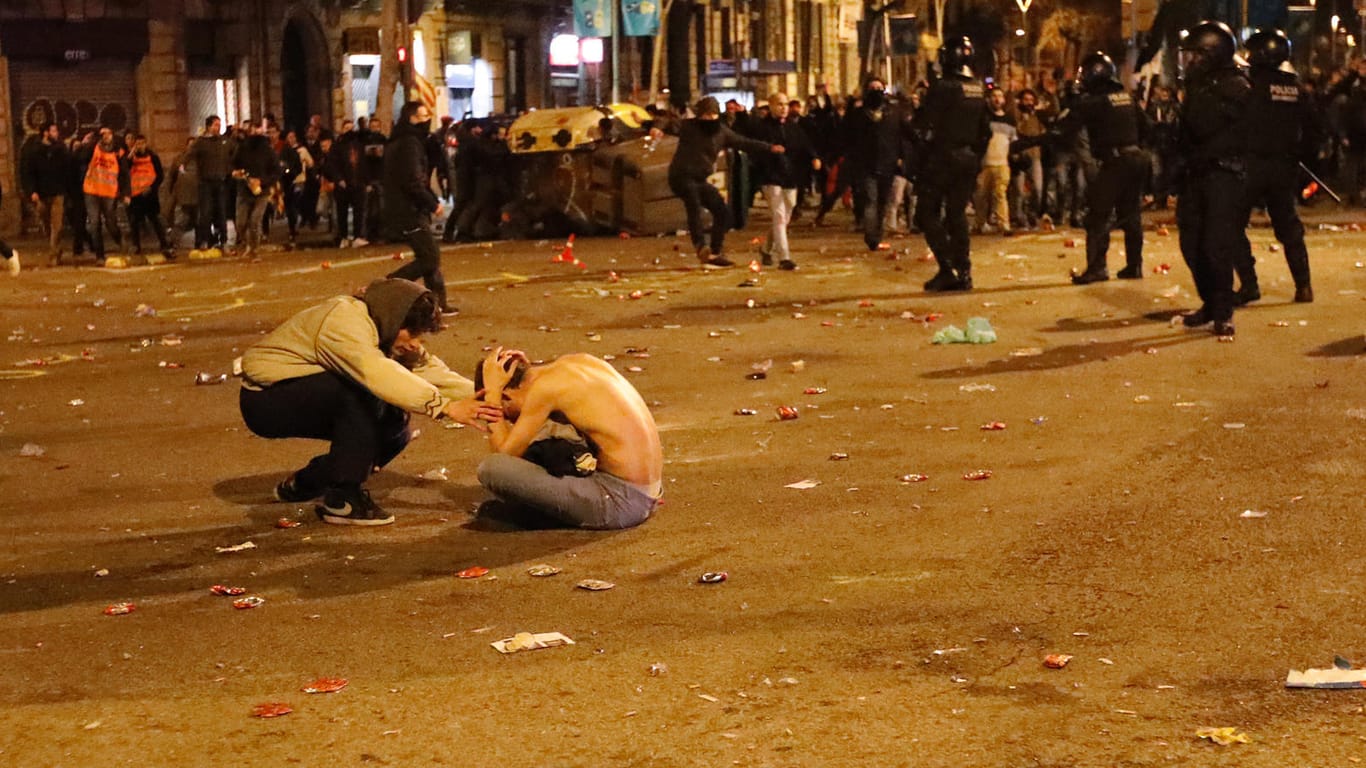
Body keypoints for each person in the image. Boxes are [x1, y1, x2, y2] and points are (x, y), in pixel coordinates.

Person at [239, 278, 501, 526]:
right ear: (396, 319)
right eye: (413, 334)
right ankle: (343, 498)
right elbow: (376, 372)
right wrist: (443, 406)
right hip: (265, 399)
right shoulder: (344, 322)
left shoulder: (384, 324)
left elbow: (431, 372)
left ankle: (308, 482)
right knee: (360, 395)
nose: (415, 344)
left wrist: (494, 399)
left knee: (395, 427)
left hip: (304, 390)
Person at [473, 348, 662, 530]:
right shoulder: (579, 362)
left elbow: (504, 454)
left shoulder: (544, 390)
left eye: (504, 410)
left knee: (492, 469)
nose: (510, 420)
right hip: (649, 491)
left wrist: (492, 395)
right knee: (544, 439)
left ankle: (540, 517)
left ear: (505, 395)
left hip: (622, 503)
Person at [1175, 21, 1250, 338]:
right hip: (1198, 172)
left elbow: (1203, 125)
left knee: (1216, 245)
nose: (1188, 61)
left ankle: (1223, 312)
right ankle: (1209, 301)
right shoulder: (1201, 85)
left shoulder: (1234, 85)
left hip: (1225, 174)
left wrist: (1192, 94)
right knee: (1191, 241)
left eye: (1194, 55)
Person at [1235, 28, 1318, 304]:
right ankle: (1303, 286)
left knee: (1233, 224)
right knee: (1289, 227)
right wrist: (1300, 157)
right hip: (1284, 166)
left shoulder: (1249, 85)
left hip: (1252, 163)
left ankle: (1249, 284)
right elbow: (1314, 129)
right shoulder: (1296, 87)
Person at [1054, 52, 1149, 284]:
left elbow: (1063, 128)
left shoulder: (1094, 102)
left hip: (1114, 162)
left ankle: (1097, 268)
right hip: (1136, 158)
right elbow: (1147, 127)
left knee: (1097, 215)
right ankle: (1134, 265)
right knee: (1130, 214)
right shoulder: (1126, 98)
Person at [913, 35, 991, 291]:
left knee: (927, 213)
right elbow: (986, 131)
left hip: (943, 156)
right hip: (968, 158)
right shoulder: (977, 87)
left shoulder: (943, 86)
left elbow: (925, 126)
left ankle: (949, 267)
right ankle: (964, 271)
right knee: (957, 215)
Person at [667, 96, 783, 267]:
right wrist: (655, 127)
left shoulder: (721, 132)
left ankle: (714, 253)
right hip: (680, 176)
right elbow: (668, 123)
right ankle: (700, 246)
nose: (709, 119)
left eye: (712, 115)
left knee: (722, 211)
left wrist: (769, 148)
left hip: (699, 179)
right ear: (699, 115)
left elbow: (744, 143)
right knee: (693, 204)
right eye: (705, 115)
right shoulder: (689, 127)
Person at [384, 101, 453, 315]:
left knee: (429, 255)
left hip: (408, 207)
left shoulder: (405, 141)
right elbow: (412, 180)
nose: (427, 121)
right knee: (429, 257)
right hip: (409, 209)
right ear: (412, 118)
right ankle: (388, 287)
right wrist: (431, 203)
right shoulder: (409, 144)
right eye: (423, 116)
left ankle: (438, 304)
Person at [842, 77, 913, 251]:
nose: (876, 91)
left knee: (883, 201)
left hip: (887, 164)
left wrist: (903, 156)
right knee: (870, 200)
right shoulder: (858, 114)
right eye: (872, 88)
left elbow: (905, 135)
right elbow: (846, 136)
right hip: (865, 165)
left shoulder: (893, 112)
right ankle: (871, 236)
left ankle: (877, 233)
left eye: (879, 88)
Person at [752, 92, 819, 270]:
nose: (783, 108)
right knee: (780, 216)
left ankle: (766, 249)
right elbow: (755, 149)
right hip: (771, 176)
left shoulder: (792, 127)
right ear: (771, 106)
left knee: (784, 216)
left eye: (785, 104)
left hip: (790, 177)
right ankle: (784, 257)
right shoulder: (762, 127)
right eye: (779, 104)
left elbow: (805, 144)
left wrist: (814, 158)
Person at [20, 122, 71, 266]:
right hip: (41, 194)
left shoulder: (61, 149)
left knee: (57, 225)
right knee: (46, 224)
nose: (57, 133)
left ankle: (53, 255)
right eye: (54, 131)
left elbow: (67, 170)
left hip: (58, 193)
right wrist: (32, 191)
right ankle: (56, 248)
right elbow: (27, 173)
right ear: (46, 133)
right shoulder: (34, 150)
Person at [230, 119, 279, 258]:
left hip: (261, 192)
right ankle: (247, 244)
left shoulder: (268, 150)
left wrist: (262, 181)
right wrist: (236, 172)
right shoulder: (242, 148)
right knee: (240, 222)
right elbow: (233, 164)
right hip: (244, 190)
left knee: (255, 221)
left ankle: (254, 249)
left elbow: (276, 171)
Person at [80, 127, 128, 266]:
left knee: (111, 222)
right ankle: (99, 255)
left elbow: (125, 173)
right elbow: (80, 158)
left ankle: (120, 240)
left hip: (108, 192)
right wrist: (87, 143)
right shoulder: (92, 149)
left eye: (108, 133)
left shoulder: (118, 152)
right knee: (94, 224)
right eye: (102, 134)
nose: (106, 136)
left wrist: (126, 193)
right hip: (91, 191)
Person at [974, 87, 1017, 236]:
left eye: (1000, 96)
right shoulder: (983, 119)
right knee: (981, 195)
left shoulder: (1009, 120)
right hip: (985, 163)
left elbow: (1013, 141)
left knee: (1000, 194)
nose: (997, 99)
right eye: (994, 96)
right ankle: (980, 223)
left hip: (1002, 163)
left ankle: (1003, 223)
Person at [189, 116, 235, 251]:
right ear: (208, 127)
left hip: (220, 182)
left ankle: (223, 240)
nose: (218, 127)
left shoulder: (225, 142)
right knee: (206, 213)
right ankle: (205, 240)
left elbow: (235, 153)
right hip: (205, 183)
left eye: (219, 125)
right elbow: (189, 155)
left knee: (221, 212)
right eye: (215, 125)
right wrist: (182, 166)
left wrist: (230, 169)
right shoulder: (201, 142)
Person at [125, 135, 173, 258]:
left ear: (146, 144)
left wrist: (152, 188)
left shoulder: (153, 157)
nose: (140, 146)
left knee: (155, 220)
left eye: (142, 143)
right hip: (136, 194)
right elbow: (124, 171)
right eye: (138, 143)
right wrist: (130, 156)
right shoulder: (130, 157)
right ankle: (136, 245)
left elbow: (160, 175)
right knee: (134, 221)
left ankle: (163, 243)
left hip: (150, 194)